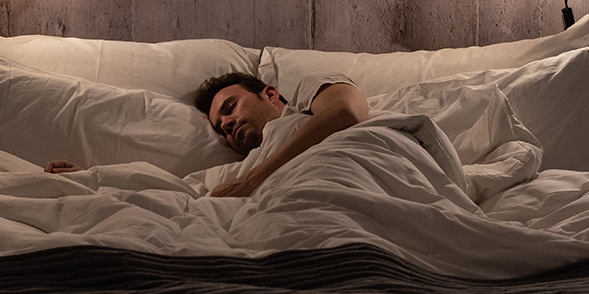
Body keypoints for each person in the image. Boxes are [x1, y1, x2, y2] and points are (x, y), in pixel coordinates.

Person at [45, 72, 370, 198]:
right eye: (219, 127)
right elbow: (179, 191)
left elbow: (346, 113)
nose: (226, 124)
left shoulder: (305, 98)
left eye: (230, 107)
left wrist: (250, 183)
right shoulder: (240, 169)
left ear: (270, 94)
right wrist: (91, 178)